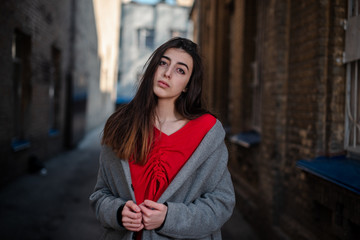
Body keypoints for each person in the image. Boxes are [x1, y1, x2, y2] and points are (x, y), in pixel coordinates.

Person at [89, 37, 235, 240]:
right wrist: (118, 212)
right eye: (163, 63)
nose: (167, 73)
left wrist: (169, 218)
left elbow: (221, 202)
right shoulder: (120, 126)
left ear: (187, 85)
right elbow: (100, 195)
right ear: (153, 68)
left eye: (180, 70)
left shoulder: (206, 132)